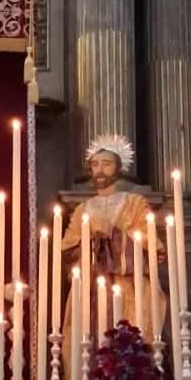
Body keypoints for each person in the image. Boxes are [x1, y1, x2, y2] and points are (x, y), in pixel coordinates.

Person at [61, 135, 166, 350]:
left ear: (118, 168)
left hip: (127, 287)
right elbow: (67, 248)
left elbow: (150, 243)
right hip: (91, 287)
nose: (100, 170)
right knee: (85, 344)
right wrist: (92, 242)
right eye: (95, 164)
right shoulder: (82, 209)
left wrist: (114, 234)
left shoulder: (135, 203)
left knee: (129, 339)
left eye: (107, 164)